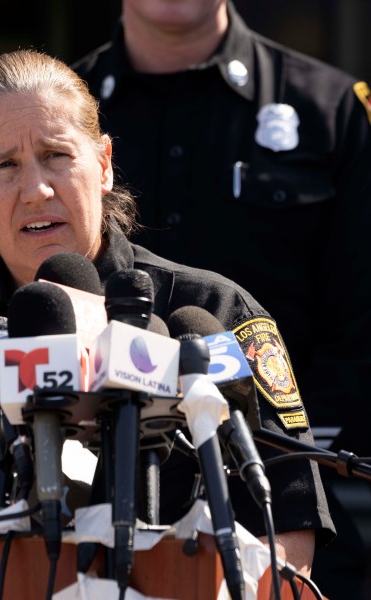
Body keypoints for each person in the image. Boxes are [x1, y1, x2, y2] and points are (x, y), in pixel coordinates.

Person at [0, 49, 333, 579]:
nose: (37, 190)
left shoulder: (210, 313)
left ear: (102, 164)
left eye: (57, 155)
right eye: (4, 166)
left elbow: (284, 544)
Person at [69, 1, 371, 594]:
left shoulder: (330, 110)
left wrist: (297, 460)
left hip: (284, 500)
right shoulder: (57, 113)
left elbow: (361, 322)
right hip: (86, 497)